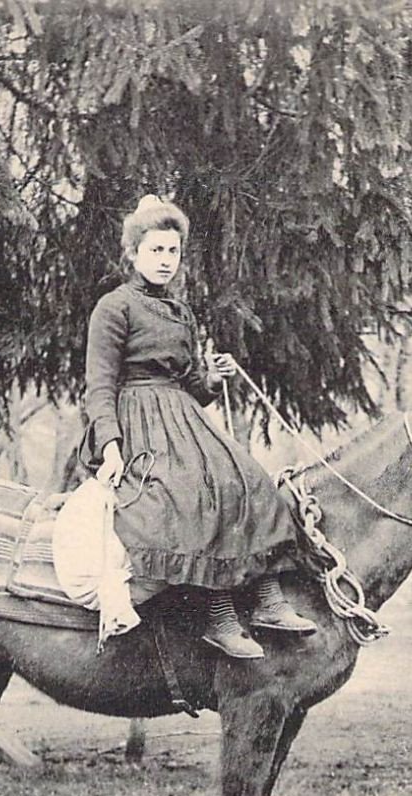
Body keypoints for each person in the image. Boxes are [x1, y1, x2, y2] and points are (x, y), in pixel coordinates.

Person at [79, 194, 316, 659]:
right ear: (133, 253)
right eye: (156, 251)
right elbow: (99, 384)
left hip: (182, 419)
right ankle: (220, 616)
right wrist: (110, 445)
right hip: (137, 422)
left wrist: (211, 378)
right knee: (190, 493)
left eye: (173, 251)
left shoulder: (182, 313)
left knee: (245, 477)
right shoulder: (114, 307)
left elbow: (190, 386)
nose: (165, 261)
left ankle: (268, 600)